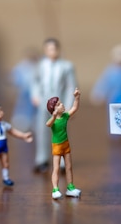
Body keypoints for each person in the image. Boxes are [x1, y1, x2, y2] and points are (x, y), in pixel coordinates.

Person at [32, 38, 77, 173]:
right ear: (45, 50)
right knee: (41, 130)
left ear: (58, 49)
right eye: (49, 49)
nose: (52, 51)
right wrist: (35, 96)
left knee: (60, 131)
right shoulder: (40, 65)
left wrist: (69, 105)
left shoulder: (66, 66)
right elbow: (35, 82)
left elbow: (71, 86)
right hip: (43, 101)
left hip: (59, 103)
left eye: (54, 48)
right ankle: (41, 159)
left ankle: (62, 161)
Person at [46, 88, 82, 199]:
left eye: (61, 103)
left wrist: (76, 98)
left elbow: (74, 108)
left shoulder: (65, 116)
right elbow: (48, 124)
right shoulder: (53, 120)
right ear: (54, 109)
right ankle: (55, 189)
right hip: (57, 146)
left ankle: (70, 187)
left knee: (69, 167)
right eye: (59, 104)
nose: (62, 105)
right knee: (56, 168)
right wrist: (53, 116)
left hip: (66, 144)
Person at [9, 48, 39, 131]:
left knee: (34, 107)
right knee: (23, 105)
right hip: (24, 90)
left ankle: (34, 121)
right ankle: (21, 120)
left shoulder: (38, 66)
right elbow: (15, 77)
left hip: (34, 91)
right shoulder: (22, 66)